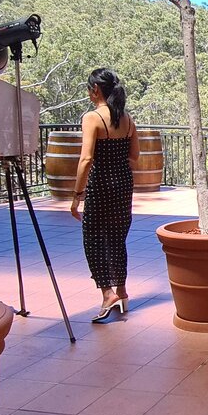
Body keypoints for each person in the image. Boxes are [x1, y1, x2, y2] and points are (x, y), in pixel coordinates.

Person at [69, 69, 136, 323]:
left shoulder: (92, 118)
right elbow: (135, 156)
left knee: (93, 238)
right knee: (117, 238)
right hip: (123, 183)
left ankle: (107, 293)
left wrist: (77, 195)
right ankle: (122, 291)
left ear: (95, 90)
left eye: (88, 88)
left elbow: (86, 159)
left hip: (101, 183)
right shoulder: (127, 119)